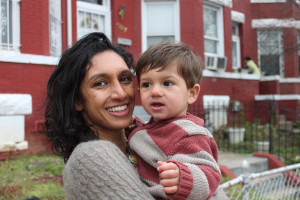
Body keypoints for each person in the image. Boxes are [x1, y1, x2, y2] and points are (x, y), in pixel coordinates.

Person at [43, 32, 155, 199]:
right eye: (100, 83)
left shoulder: (139, 144)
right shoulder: (92, 156)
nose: (120, 93)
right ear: (77, 100)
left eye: (124, 79)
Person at [127, 42, 224, 200]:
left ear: (191, 93)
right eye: (146, 84)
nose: (155, 92)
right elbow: (149, 136)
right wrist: (132, 127)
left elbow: (211, 176)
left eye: (167, 83)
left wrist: (184, 178)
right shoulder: (157, 126)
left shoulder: (189, 134)